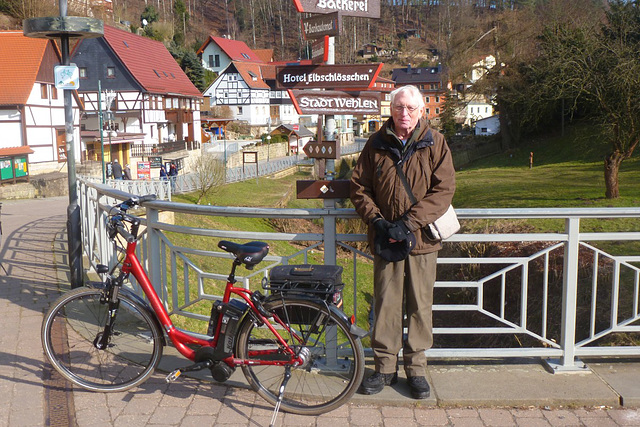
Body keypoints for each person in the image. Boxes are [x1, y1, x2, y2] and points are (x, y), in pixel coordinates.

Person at [350, 85, 456, 400]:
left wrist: (408, 223)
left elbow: (444, 190)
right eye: (399, 108)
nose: (404, 114)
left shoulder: (435, 143)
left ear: (421, 111)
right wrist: (378, 221)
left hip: (421, 239)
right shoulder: (376, 143)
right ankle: (384, 367)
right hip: (386, 240)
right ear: (391, 110)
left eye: (410, 108)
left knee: (420, 306)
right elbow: (359, 187)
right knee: (386, 303)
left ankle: (417, 369)